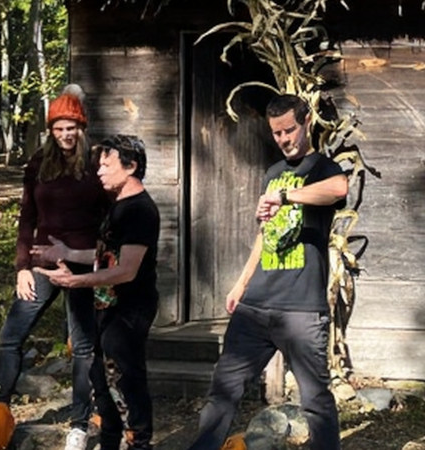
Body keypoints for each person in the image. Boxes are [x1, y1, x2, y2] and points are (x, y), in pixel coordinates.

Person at [186, 94, 347, 450]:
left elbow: (339, 190)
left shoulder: (323, 168)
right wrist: (240, 284)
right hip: (255, 305)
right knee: (223, 391)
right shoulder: (272, 173)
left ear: (306, 122)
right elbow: (265, 236)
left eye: (289, 130)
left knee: (316, 401)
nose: (284, 139)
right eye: (276, 133)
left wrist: (287, 196)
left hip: (301, 310)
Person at [0, 91, 110, 450]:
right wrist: (22, 267)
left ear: (81, 127)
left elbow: (111, 219)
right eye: (59, 128)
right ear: (50, 130)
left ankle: (78, 423)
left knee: (84, 345)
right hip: (41, 266)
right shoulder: (39, 163)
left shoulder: (95, 164)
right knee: (11, 336)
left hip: (80, 265)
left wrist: (99, 260)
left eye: (71, 127)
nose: (65, 134)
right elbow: (27, 217)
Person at [34, 134, 160, 450]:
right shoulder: (117, 206)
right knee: (101, 383)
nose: (99, 171)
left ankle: (139, 444)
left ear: (130, 167)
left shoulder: (139, 210)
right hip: (107, 306)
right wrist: (68, 252)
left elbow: (126, 270)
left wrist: (74, 282)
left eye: (106, 165)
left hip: (129, 309)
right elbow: (107, 255)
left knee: (127, 383)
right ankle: (108, 441)